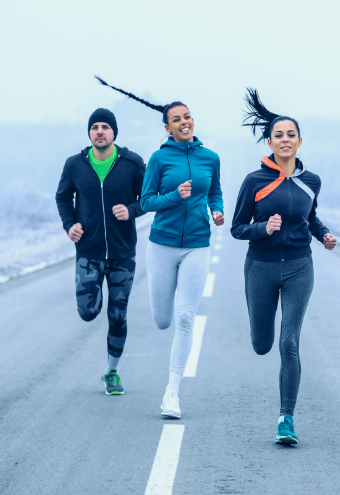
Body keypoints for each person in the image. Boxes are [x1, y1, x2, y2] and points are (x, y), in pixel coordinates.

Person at [96, 77, 224, 418]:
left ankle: (172, 393)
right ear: (167, 127)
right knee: (164, 319)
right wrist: (175, 196)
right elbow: (148, 201)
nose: (185, 122)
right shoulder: (158, 159)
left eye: (188, 117)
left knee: (185, 318)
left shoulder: (210, 158)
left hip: (197, 244)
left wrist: (217, 209)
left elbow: (215, 191)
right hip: (162, 246)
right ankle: (168, 363)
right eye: (177, 119)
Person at [231, 89, 337, 445]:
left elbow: (311, 216)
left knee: (288, 343)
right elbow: (237, 227)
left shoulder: (311, 182)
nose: (285, 139)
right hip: (260, 267)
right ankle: (259, 335)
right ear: (270, 141)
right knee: (262, 343)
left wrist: (323, 235)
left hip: (298, 268)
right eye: (279, 135)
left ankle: (286, 419)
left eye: (291, 134)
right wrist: (264, 228)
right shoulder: (254, 182)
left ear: (300, 141)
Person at [55, 108, 146, 395]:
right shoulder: (75, 165)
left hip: (122, 252)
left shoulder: (132, 163)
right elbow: (62, 197)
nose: (100, 131)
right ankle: (94, 312)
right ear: (89, 133)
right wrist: (69, 225)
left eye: (105, 126)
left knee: (118, 314)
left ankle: (112, 371)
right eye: (95, 127)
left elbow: (148, 198)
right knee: (88, 312)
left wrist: (130, 210)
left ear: (114, 132)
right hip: (88, 251)